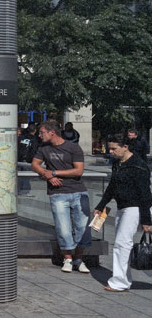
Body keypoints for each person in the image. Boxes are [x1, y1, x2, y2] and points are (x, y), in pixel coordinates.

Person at [93, 135, 152, 291]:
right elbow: (112, 186)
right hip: (122, 207)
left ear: (125, 147)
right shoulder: (118, 163)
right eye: (110, 148)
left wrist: (147, 220)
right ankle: (123, 280)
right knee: (122, 244)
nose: (110, 151)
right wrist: (101, 205)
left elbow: (145, 194)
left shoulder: (138, 166)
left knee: (121, 244)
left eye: (114, 148)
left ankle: (119, 282)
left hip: (135, 208)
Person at [32, 120, 91, 273]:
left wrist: (54, 173)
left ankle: (79, 259)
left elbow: (78, 171)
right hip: (57, 193)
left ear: (52, 132)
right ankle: (68, 259)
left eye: (42, 132)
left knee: (82, 227)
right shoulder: (43, 148)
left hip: (78, 191)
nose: (39, 135)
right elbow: (35, 164)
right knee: (63, 228)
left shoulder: (73, 147)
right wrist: (47, 175)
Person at [17, 124, 39, 195]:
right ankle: (25, 191)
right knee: (26, 176)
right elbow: (34, 150)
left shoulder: (21, 137)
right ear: (35, 131)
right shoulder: (34, 139)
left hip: (19, 159)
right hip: (27, 160)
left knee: (19, 175)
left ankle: (19, 190)